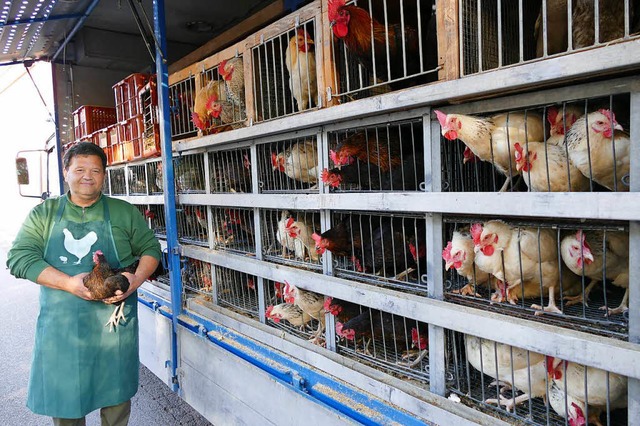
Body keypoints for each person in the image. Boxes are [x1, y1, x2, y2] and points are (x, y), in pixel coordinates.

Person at [7, 142, 161, 426]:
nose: (87, 176)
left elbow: (151, 249)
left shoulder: (123, 211)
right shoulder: (44, 214)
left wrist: (136, 279)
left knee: (115, 400)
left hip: (114, 325)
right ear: (66, 172)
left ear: (104, 175)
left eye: (95, 170)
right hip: (63, 328)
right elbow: (19, 257)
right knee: (67, 401)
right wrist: (68, 283)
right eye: (79, 169)